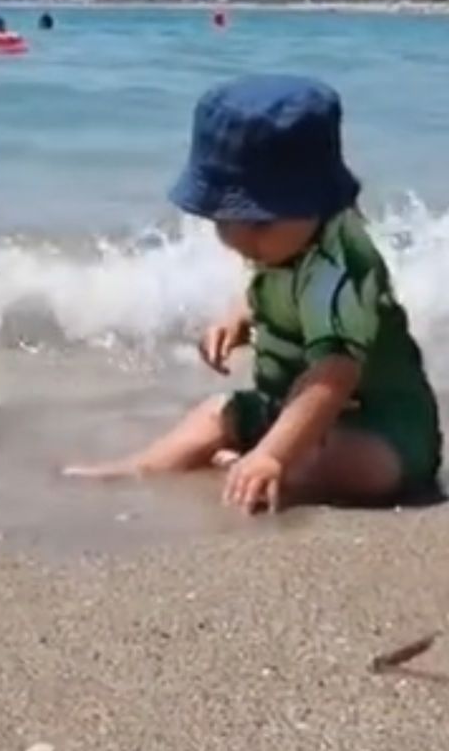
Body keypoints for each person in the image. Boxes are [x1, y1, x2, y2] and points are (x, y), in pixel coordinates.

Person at [64, 75, 441, 513]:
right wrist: (238, 316)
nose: (242, 238)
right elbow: (266, 282)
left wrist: (273, 454)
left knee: (350, 467)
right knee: (217, 411)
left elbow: (334, 377)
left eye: (259, 221)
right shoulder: (289, 239)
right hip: (289, 408)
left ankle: (251, 465)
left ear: (316, 199)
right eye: (225, 220)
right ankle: (142, 467)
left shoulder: (338, 273)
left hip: (381, 427)